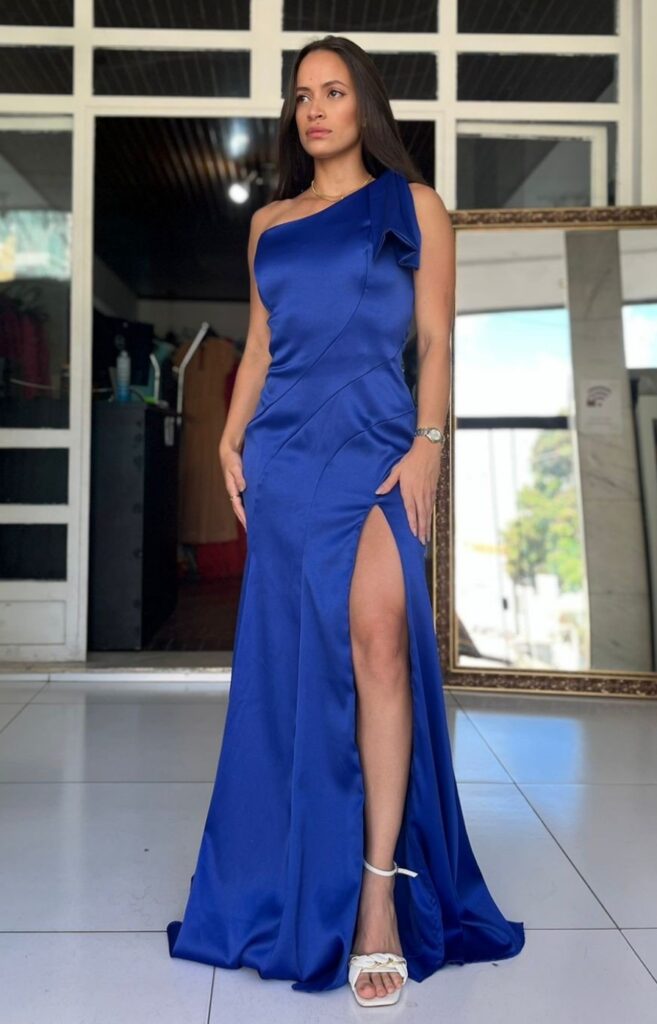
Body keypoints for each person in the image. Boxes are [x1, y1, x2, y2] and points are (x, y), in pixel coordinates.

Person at [167, 34, 525, 1007]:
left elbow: (437, 338)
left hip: (376, 451)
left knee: (378, 644)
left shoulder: (413, 207)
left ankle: (376, 898)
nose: (315, 109)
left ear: (364, 103)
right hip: (284, 460)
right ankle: (295, 869)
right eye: (302, 96)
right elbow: (259, 347)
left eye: (332, 91)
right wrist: (229, 438)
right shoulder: (269, 224)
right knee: (296, 670)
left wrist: (430, 443)